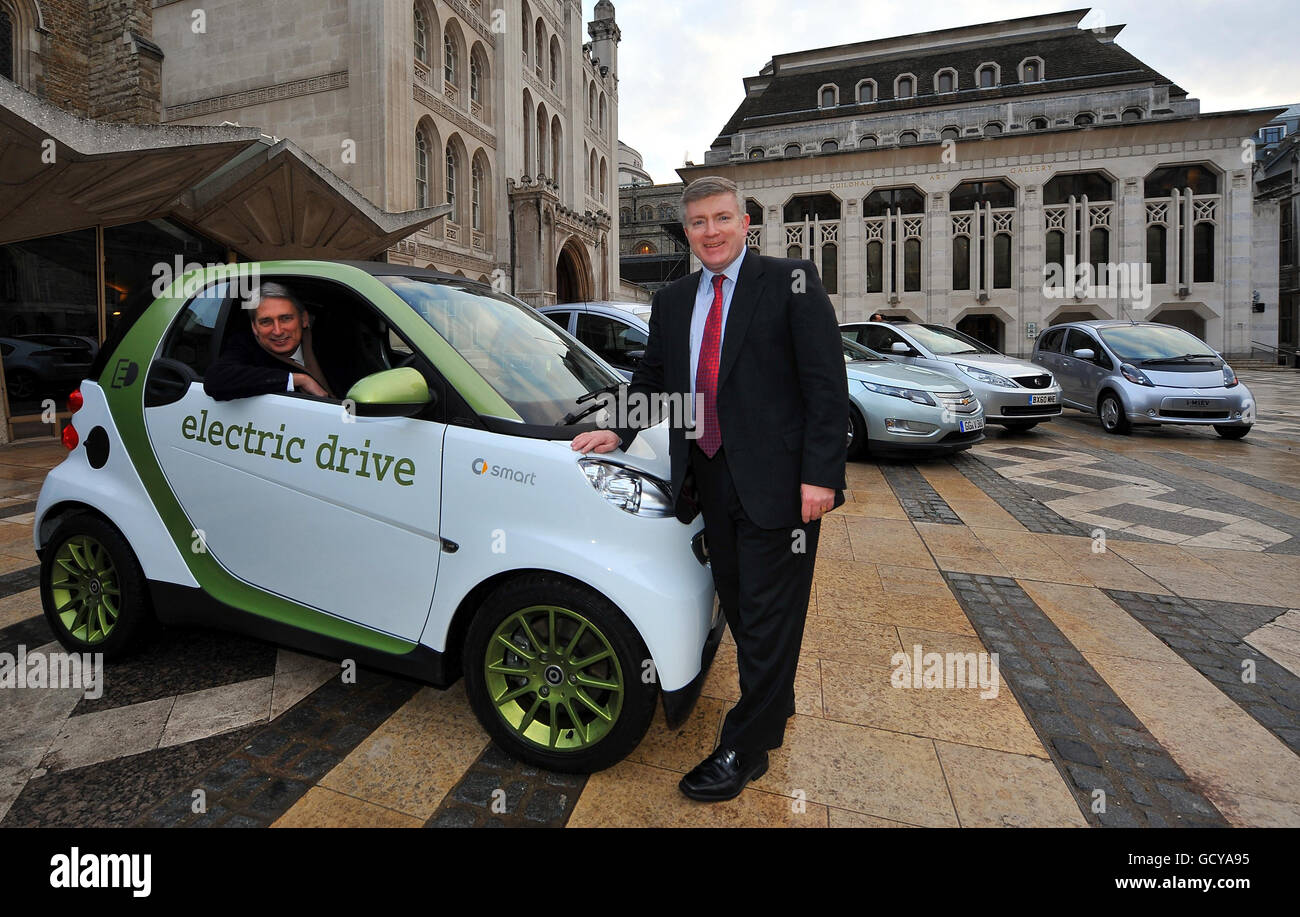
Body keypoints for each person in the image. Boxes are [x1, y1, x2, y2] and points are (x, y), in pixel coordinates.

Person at [572, 176, 848, 802]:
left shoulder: (790, 281)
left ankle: (746, 747)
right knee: (745, 607)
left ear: (745, 223)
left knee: (772, 614)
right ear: (688, 230)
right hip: (707, 479)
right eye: (698, 223)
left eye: (722, 219)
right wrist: (616, 428)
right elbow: (655, 379)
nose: (711, 232)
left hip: (781, 485)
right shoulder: (673, 300)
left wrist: (820, 476)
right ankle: (775, 697)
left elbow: (826, 386)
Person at [205, 282, 334, 400]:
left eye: (286, 318)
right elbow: (215, 380)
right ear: (254, 327)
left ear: (304, 319)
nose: (277, 331)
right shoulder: (247, 348)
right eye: (266, 322)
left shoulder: (329, 342)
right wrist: (296, 379)